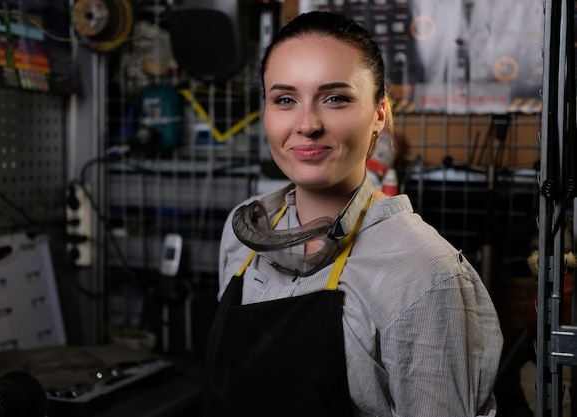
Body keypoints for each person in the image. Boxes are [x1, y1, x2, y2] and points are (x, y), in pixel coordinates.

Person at [201, 10, 503, 417]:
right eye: (285, 99)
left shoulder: (425, 274)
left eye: (335, 98)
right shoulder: (245, 231)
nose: (307, 124)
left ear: (379, 113)